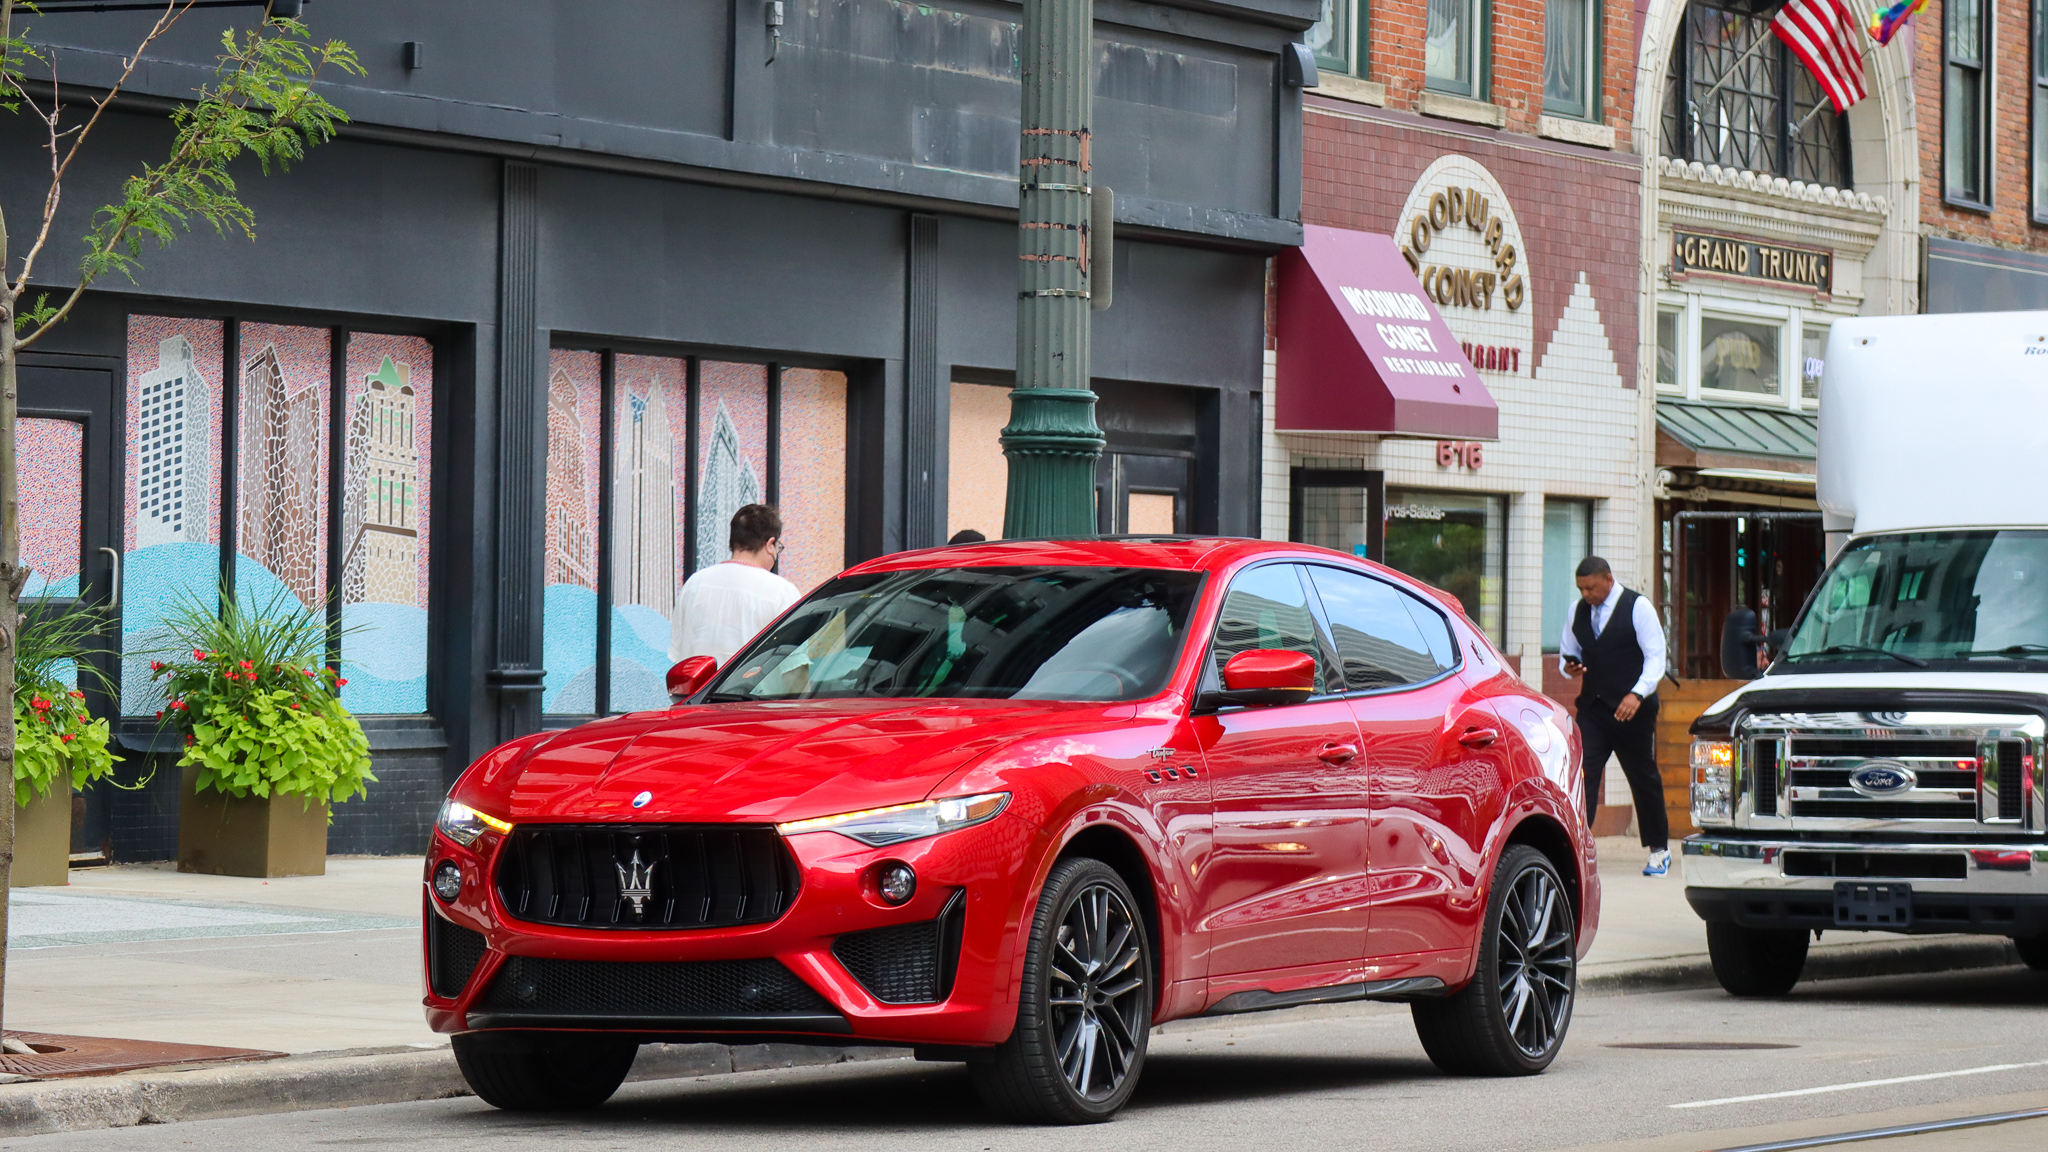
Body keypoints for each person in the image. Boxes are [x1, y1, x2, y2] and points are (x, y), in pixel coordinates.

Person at [1559, 556, 1672, 876]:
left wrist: (1637, 693)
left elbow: (1656, 657)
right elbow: (1569, 654)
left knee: (1642, 776)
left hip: (1631, 709)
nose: (1586, 594)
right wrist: (1569, 667)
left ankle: (1659, 850)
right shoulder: (1576, 611)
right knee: (1582, 775)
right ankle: (1577, 844)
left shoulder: (1638, 607)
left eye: (1591, 587)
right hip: (1593, 709)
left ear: (1608, 579)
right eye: (1581, 588)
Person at [670, 504, 800, 669]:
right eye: (778, 548)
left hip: (695, 694)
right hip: (749, 694)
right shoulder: (781, 592)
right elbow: (794, 666)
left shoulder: (693, 584)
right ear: (770, 544)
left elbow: (678, 656)